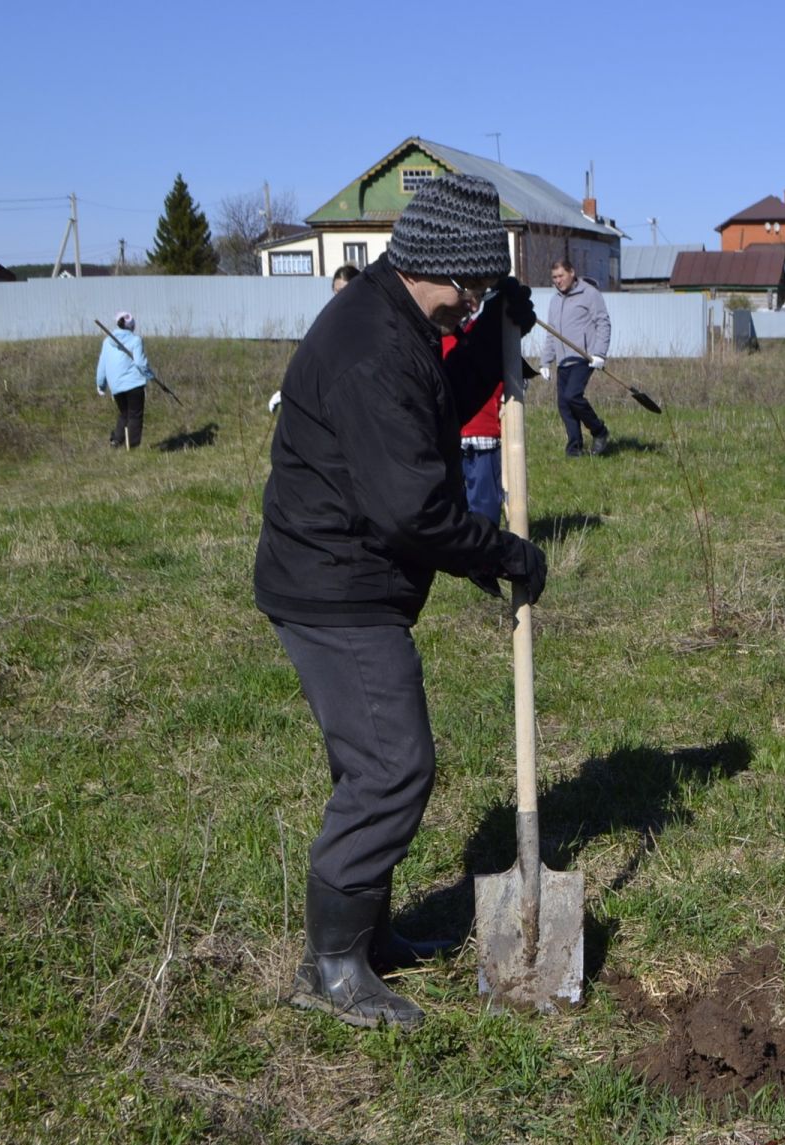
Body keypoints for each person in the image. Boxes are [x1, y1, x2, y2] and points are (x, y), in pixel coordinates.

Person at [255, 173, 545, 1031]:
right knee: (393, 767)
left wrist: (495, 328)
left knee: (369, 767)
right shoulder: (373, 345)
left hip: (343, 577)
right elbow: (413, 510)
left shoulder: (397, 321)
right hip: (335, 590)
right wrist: (505, 553)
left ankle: (366, 936)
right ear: (437, 268)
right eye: (472, 292)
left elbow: (429, 417)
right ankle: (333, 967)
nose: (470, 307)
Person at [536, 258, 611, 457]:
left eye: (561, 276)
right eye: (554, 278)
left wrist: (599, 353)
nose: (557, 281)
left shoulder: (589, 294)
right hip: (563, 360)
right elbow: (552, 333)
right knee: (564, 404)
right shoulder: (555, 301)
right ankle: (574, 449)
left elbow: (603, 323)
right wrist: (545, 362)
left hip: (583, 357)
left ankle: (599, 431)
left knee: (572, 396)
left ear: (571, 273)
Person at [268, 265, 363, 415]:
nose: (340, 297)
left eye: (345, 291)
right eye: (337, 292)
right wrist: (289, 390)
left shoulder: (365, 320)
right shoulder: (332, 320)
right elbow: (316, 358)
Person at [443, 316, 505, 521]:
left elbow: (503, 381)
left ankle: (486, 546)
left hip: (483, 433)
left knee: (484, 502)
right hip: (449, 435)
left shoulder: (484, 337)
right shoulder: (437, 338)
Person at [95, 311, 152, 448]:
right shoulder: (135, 340)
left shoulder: (107, 342)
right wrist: (150, 375)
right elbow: (140, 363)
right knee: (135, 415)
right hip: (134, 384)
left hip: (116, 386)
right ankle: (132, 447)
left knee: (124, 414)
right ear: (132, 325)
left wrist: (101, 385)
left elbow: (102, 365)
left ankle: (116, 440)